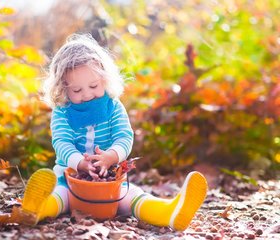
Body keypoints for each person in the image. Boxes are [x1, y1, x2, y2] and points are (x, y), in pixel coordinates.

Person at [21, 34, 208, 231]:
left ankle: (169, 212)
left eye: (93, 86)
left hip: (110, 182)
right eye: (76, 90)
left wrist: (111, 156)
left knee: (131, 196)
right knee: (59, 196)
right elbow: (61, 142)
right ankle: (36, 209)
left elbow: (124, 136)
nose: (86, 95)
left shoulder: (113, 107)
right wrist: (80, 163)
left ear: (104, 78)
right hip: (71, 181)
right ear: (63, 89)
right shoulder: (63, 112)